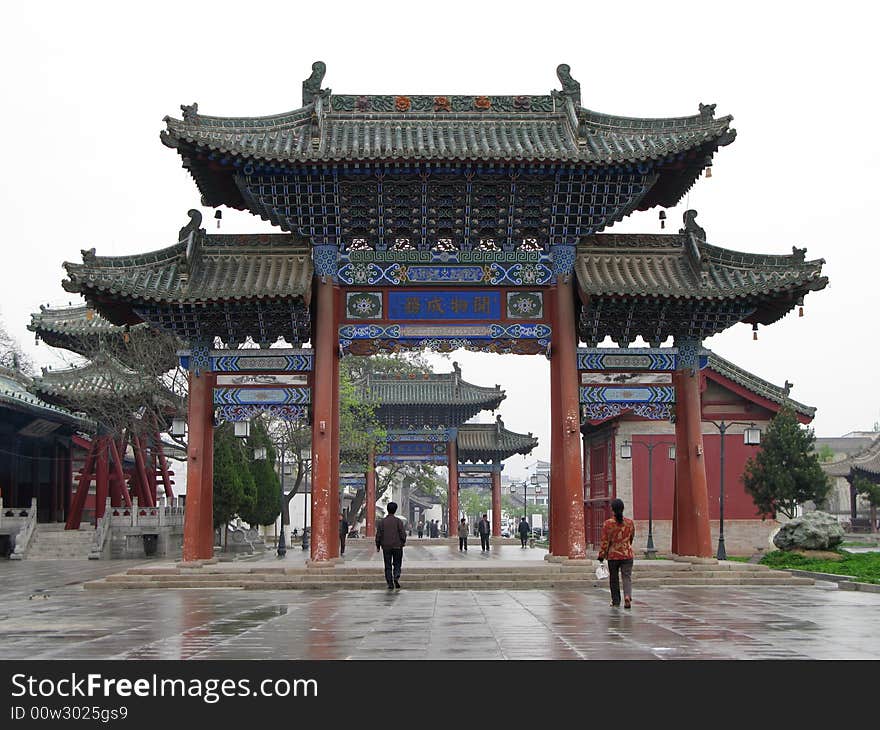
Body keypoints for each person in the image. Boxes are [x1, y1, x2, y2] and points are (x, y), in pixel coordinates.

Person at [597, 498, 635, 609]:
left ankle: (616, 600)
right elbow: (631, 538)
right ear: (623, 509)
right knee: (626, 577)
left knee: (614, 578)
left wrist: (601, 555)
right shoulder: (629, 523)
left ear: (612, 510)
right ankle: (627, 596)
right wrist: (627, 547)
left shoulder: (608, 524)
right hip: (627, 554)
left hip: (613, 555)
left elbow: (605, 542)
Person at [376, 502, 407, 590]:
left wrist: (378, 545)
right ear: (395, 510)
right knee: (397, 563)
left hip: (386, 546)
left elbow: (378, 535)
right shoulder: (398, 521)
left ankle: (390, 583)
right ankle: (396, 576)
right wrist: (402, 542)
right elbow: (402, 533)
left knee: (387, 565)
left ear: (387, 509)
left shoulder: (382, 522)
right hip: (397, 546)